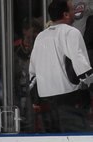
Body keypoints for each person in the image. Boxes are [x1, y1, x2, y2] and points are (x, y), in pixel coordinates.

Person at [29, 0, 93, 133]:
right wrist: (89, 84)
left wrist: (35, 97)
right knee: (75, 140)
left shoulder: (41, 36)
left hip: (45, 100)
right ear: (66, 14)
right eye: (71, 9)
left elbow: (33, 73)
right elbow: (81, 66)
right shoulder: (71, 32)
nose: (73, 12)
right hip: (68, 99)